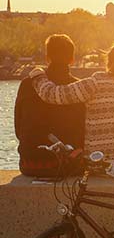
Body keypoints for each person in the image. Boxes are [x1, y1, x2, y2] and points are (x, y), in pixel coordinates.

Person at [29, 43, 114, 175]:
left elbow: (53, 95)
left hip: (104, 164)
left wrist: (38, 75)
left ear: (108, 63)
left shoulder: (95, 83)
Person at [15, 34, 85, 177]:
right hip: (67, 164)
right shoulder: (78, 88)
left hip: (30, 164)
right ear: (72, 59)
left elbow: (18, 129)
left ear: (47, 57)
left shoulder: (27, 84)